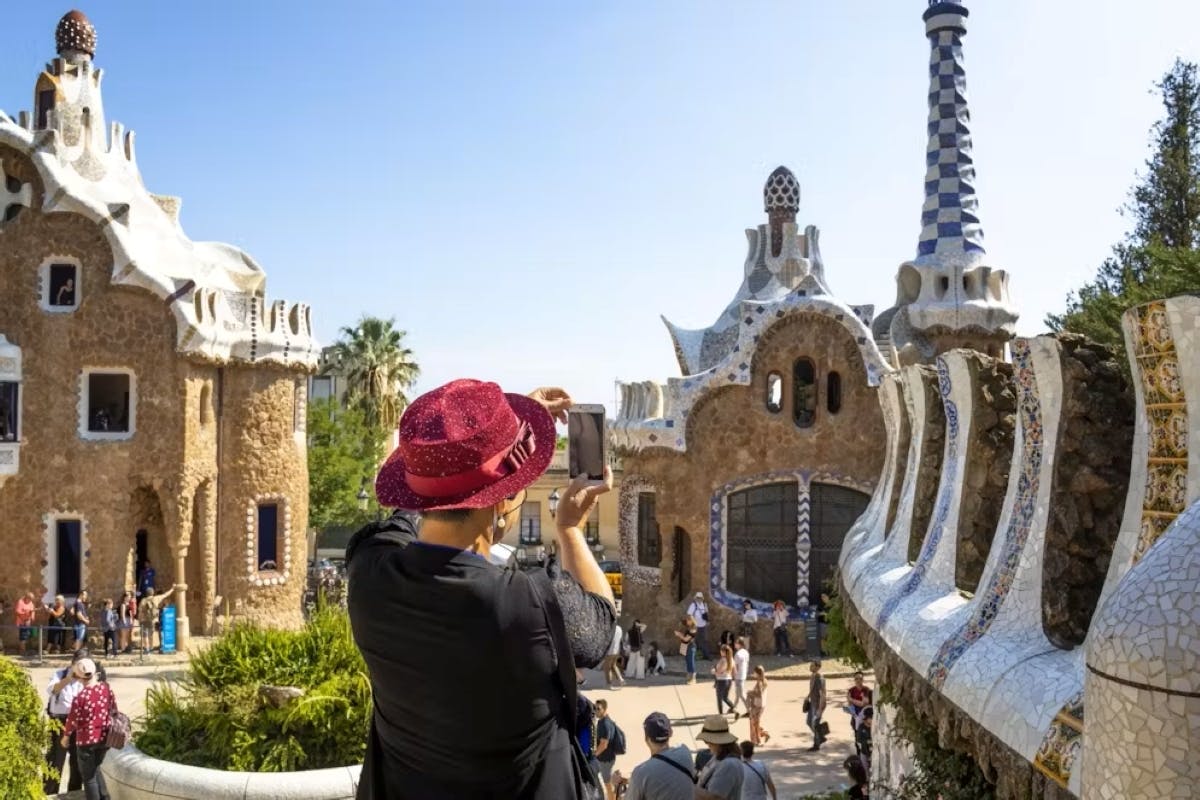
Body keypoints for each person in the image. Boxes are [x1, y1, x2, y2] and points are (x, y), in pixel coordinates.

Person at [346, 381, 616, 799]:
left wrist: (494, 439)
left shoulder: (369, 573)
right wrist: (570, 530)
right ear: (501, 503)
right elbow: (601, 621)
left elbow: (406, 514)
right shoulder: (531, 605)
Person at [62, 657, 118, 800]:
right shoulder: (106, 689)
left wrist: (66, 737)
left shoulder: (80, 697)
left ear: (78, 677)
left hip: (86, 741)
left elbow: (72, 720)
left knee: (89, 778)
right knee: (96, 769)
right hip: (104, 737)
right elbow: (114, 710)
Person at [611, 712, 693, 800]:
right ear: (671, 733)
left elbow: (653, 775)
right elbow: (664, 774)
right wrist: (631, 780)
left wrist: (618, 788)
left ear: (646, 739)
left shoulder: (641, 773)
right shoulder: (685, 752)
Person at [45, 649, 89, 794]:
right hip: (59, 721)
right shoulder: (60, 674)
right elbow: (52, 690)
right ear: (72, 663)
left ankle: (74, 793)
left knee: (77, 761)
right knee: (55, 760)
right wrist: (68, 679)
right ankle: (50, 792)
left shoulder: (88, 679)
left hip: (78, 723)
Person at [694, 715, 744, 800]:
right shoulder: (719, 757)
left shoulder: (729, 764)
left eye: (707, 741)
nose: (707, 744)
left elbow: (714, 797)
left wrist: (688, 786)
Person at [593, 698, 622, 800]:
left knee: (607, 784)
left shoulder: (604, 724)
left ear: (605, 709)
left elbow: (604, 744)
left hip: (605, 759)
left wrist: (594, 755)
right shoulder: (606, 721)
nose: (596, 711)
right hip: (608, 757)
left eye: (598, 709)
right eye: (595, 708)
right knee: (607, 780)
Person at [137, 586, 175, 653]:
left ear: (146, 593)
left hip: (143, 619)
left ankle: (146, 649)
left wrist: (139, 619)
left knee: (145, 635)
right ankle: (151, 648)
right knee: (151, 634)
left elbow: (140, 610)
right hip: (152, 619)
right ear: (152, 593)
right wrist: (172, 589)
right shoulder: (156, 598)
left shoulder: (143, 600)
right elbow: (165, 595)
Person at [806, 661, 827, 752]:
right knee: (809, 722)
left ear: (818, 667)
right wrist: (808, 697)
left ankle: (816, 744)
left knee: (815, 724)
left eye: (812, 666)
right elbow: (812, 689)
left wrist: (820, 709)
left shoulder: (819, 678)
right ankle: (821, 736)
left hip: (818, 704)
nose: (810, 667)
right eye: (810, 665)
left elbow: (822, 694)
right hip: (812, 703)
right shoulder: (813, 676)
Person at [746, 665, 770, 745]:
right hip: (762, 704)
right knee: (755, 722)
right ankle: (762, 735)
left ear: (757, 673)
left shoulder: (759, 683)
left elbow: (759, 694)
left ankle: (758, 740)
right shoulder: (765, 680)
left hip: (757, 705)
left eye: (754, 672)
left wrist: (750, 693)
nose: (753, 674)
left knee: (754, 723)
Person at [712, 644, 735, 717]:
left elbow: (719, 671)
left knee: (719, 699)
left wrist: (713, 671)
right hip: (729, 680)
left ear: (724, 652)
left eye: (721, 651)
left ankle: (720, 715)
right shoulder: (731, 659)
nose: (720, 652)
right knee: (725, 697)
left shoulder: (723, 660)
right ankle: (733, 707)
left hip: (721, 681)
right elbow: (734, 671)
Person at [686, 592, 711, 660]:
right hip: (695, 626)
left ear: (702, 598)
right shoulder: (693, 605)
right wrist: (694, 622)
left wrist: (707, 621)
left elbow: (706, 613)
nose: (699, 599)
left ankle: (706, 655)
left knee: (704, 640)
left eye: (700, 597)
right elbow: (689, 614)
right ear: (696, 598)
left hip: (703, 625)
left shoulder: (704, 604)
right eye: (698, 597)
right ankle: (693, 655)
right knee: (694, 641)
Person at [674, 617, 697, 684]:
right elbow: (684, 636)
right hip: (686, 646)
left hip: (690, 646)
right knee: (688, 661)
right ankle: (689, 677)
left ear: (691, 621)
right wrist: (680, 633)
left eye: (688, 620)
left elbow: (686, 639)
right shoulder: (689, 627)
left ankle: (693, 679)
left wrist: (679, 635)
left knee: (691, 662)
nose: (687, 622)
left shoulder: (693, 630)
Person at [603, 623, 626, 689]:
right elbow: (621, 640)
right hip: (617, 650)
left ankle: (609, 684)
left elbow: (606, 640)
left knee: (607, 668)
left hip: (610, 651)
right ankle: (621, 679)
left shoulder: (609, 628)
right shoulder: (619, 628)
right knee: (613, 665)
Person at [731, 637, 750, 716]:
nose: (735, 644)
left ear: (740, 644)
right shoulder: (746, 652)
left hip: (738, 676)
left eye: (736, 643)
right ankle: (734, 707)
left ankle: (749, 710)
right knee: (738, 693)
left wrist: (733, 675)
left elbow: (736, 666)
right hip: (743, 675)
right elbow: (747, 663)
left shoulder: (737, 654)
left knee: (741, 694)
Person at [15, 591, 35, 656]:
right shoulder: (20, 602)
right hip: (22, 622)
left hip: (28, 622)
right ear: (27, 597)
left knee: (27, 636)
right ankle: (22, 651)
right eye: (30, 599)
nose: (31, 600)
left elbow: (32, 610)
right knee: (23, 636)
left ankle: (25, 650)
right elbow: (18, 612)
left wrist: (32, 617)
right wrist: (25, 616)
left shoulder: (30, 602)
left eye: (31, 599)